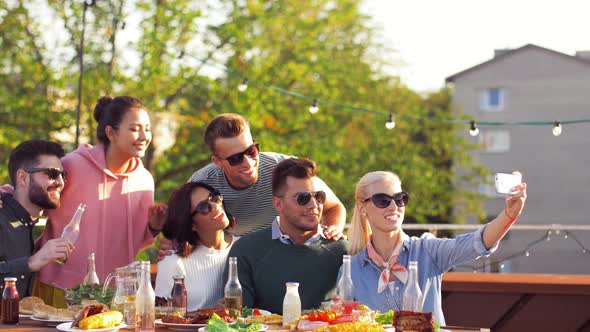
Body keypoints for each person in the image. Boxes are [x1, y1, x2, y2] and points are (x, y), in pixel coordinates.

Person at [346, 171, 527, 325]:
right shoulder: (352, 269)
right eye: (382, 200)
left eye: (400, 199)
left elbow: (476, 243)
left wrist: (509, 215)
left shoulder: (426, 250)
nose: (394, 206)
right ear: (363, 208)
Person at [33, 96, 165, 307]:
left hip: (115, 294)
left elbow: (137, 240)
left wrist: (154, 227)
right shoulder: (71, 166)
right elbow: (30, 192)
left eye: (147, 129)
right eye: (134, 129)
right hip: (60, 288)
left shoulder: (144, 180)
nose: (143, 136)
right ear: (111, 133)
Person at [225, 158, 348, 314]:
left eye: (319, 196)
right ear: (278, 204)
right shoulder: (245, 250)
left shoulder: (342, 250)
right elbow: (238, 319)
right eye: (303, 198)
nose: (314, 205)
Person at [0, 140, 74, 302]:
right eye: (52, 173)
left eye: (63, 175)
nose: (61, 182)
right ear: (23, 178)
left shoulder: (31, 224)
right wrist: (33, 262)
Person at [155, 182, 238, 311]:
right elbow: (161, 318)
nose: (215, 206)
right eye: (204, 207)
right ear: (191, 224)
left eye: (214, 198)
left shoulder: (246, 247)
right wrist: (209, 315)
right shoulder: (173, 262)